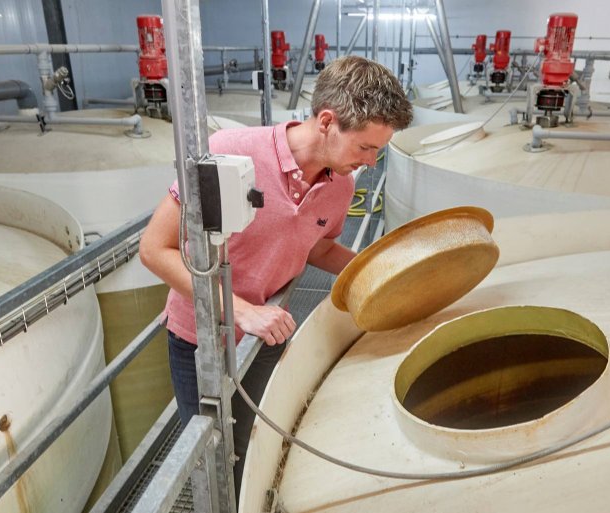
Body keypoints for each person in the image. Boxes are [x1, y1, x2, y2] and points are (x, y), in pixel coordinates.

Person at [139, 55, 412, 499]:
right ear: (328, 122)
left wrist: (376, 265)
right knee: (212, 458)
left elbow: (317, 246)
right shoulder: (230, 150)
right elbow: (155, 249)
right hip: (201, 337)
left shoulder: (341, 186)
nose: (371, 161)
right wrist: (242, 311)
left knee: (255, 444)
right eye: (365, 148)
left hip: (268, 332)